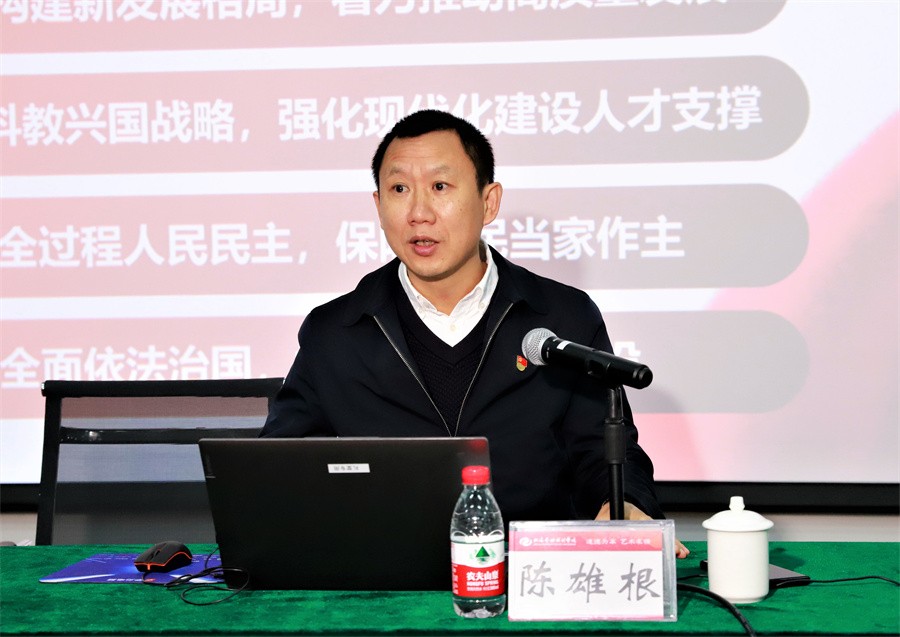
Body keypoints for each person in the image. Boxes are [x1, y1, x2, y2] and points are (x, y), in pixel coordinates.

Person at [261, 109, 688, 558]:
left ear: (489, 202)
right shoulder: (335, 332)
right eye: (400, 189)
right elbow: (279, 467)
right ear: (378, 205)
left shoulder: (562, 317)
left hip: (532, 571)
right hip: (384, 573)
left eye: (440, 187)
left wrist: (625, 503)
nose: (419, 213)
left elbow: (603, 451)